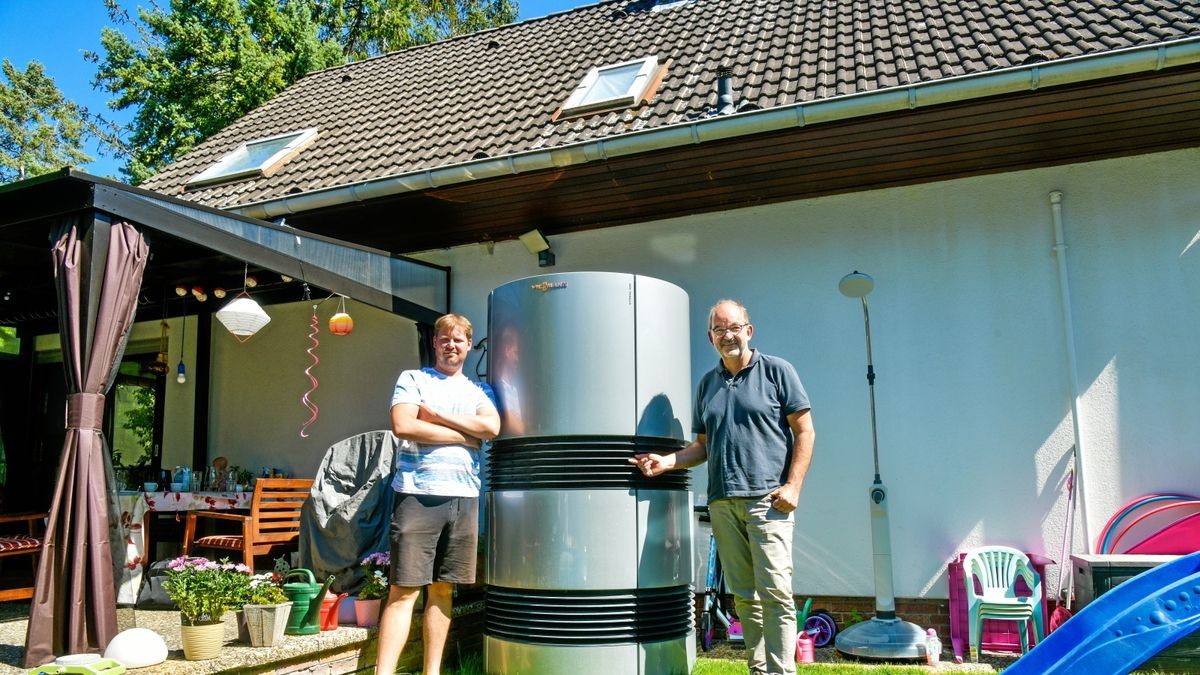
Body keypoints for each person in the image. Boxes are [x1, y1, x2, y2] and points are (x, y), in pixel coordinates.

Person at [631, 299, 815, 675]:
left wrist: (793, 487)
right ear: (710, 337)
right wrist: (667, 461)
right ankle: (759, 669)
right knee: (746, 597)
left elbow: (805, 431)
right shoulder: (707, 384)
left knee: (776, 593)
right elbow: (702, 445)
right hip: (723, 502)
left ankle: (782, 672)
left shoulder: (778, 372)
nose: (727, 335)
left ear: (749, 330)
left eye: (734, 327)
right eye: (719, 330)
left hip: (769, 501)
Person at [376, 313, 500, 675]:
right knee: (404, 591)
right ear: (435, 342)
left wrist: (436, 417)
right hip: (418, 495)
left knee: (443, 590)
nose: (451, 345)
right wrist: (467, 437)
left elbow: (491, 427)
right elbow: (403, 425)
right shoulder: (413, 379)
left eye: (459, 340)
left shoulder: (480, 390)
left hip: (463, 499)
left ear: (467, 345)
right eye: (445, 338)